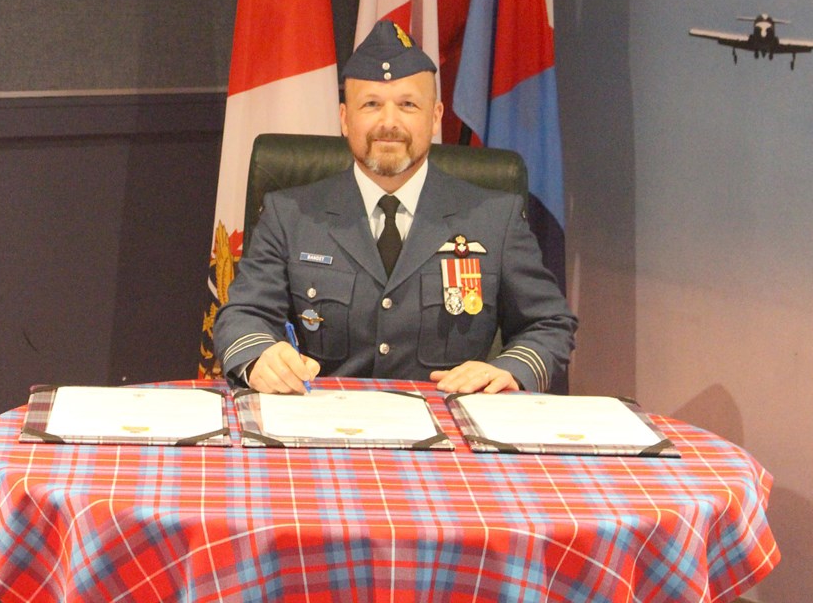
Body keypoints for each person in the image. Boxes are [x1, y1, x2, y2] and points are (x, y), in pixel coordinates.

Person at [214, 20, 576, 395]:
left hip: (449, 430)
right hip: (322, 427)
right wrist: (259, 357)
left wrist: (511, 370)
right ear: (344, 118)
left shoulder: (493, 217)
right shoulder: (289, 214)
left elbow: (548, 323)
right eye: (371, 104)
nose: (389, 122)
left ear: (434, 117)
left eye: (407, 105)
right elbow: (243, 315)